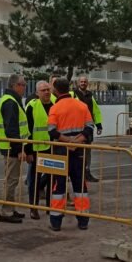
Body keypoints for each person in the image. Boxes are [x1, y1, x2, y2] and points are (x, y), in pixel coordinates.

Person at [47, 77, 94, 231]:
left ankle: (56, 221)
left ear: (56, 90)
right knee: (80, 185)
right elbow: (89, 128)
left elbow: (52, 131)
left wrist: (67, 141)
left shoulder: (55, 108)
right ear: (69, 88)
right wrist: (76, 141)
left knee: (58, 186)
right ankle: (83, 220)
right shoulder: (81, 105)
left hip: (61, 152)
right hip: (79, 151)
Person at [0, 74, 30, 223]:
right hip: (11, 148)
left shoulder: (12, 100)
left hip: (11, 147)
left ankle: (11, 208)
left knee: (13, 180)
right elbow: (12, 130)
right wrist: (19, 149)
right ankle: (6, 211)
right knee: (11, 180)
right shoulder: (10, 103)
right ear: (15, 86)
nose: (25, 87)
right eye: (23, 84)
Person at [24, 80, 54, 220]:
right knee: (34, 181)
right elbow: (27, 130)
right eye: (43, 90)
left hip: (53, 149)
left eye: (48, 89)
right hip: (36, 150)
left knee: (52, 178)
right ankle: (34, 208)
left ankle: (49, 207)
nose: (47, 92)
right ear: (37, 93)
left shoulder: (55, 104)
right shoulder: (32, 106)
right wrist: (28, 152)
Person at [72, 75, 103, 182]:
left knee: (87, 151)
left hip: (88, 128)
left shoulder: (90, 95)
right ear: (78, 83)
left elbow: (95, 110)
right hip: (75, 128)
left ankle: (87, 172)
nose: (83, 83)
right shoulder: (73, 94)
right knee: (75, 150)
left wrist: (99, 125)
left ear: (87, 83)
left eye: (85, 81)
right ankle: (73, 173)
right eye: (81, 81)